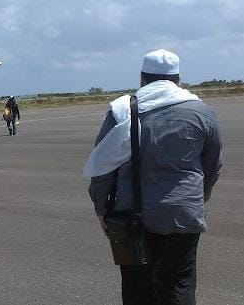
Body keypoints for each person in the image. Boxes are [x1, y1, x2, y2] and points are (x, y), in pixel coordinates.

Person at [85, 49, 223, 305]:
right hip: (183, 214)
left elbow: (103, 166)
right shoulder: (202, 112)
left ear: (142, 78)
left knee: (137, 289)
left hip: (132, 217)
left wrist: (101, 208)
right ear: (178, 79)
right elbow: (212, 165)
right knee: (178, 287)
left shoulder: (122, 111)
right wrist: (198, 198)